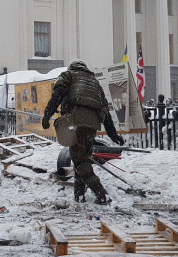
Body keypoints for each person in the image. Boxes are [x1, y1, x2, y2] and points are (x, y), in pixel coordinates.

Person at [41, 59, 125, 205]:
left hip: (75, 122)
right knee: (81, 158)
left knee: (79, 161)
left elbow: (58, 94)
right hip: (92, 125)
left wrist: (47, 114)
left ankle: (102, 195)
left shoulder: (68, 75)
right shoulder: (95, 83)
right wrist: (112, 134)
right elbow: (105, 110)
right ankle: (79, 196)